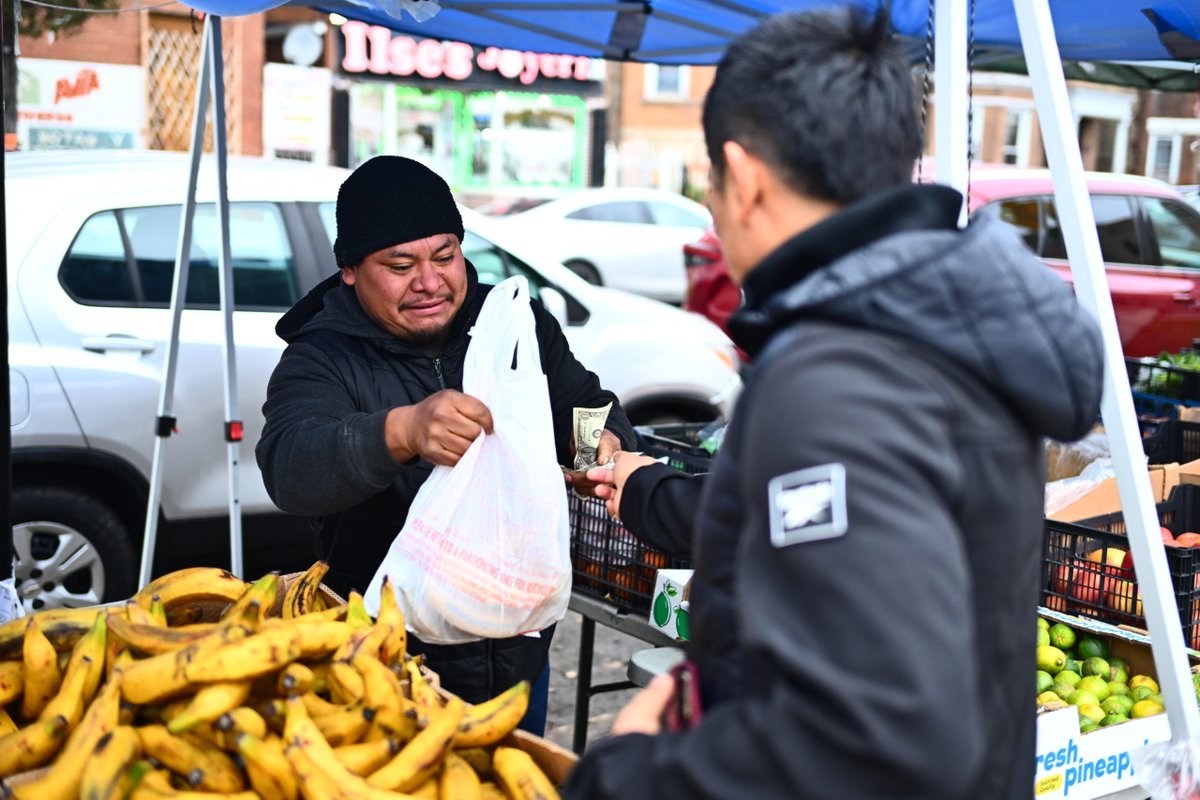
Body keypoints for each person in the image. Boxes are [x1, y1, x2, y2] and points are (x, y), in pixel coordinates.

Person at [565, 8, 1103, 799]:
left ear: (743, 178)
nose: (711, 210)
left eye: (708, 181)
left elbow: (872, 737)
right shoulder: (937, 331)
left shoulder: (838, 377)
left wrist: (630, 772)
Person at [255, 155, 637, 734]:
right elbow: (290, 467)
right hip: (383, 677)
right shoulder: (321, 356)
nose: (430, 282)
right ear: (352, 271)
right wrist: (399, 433)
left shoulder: (514, 327)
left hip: (517, 665)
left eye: (445, 256)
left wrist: (595, 450)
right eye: (400, 264)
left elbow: (585, 407)